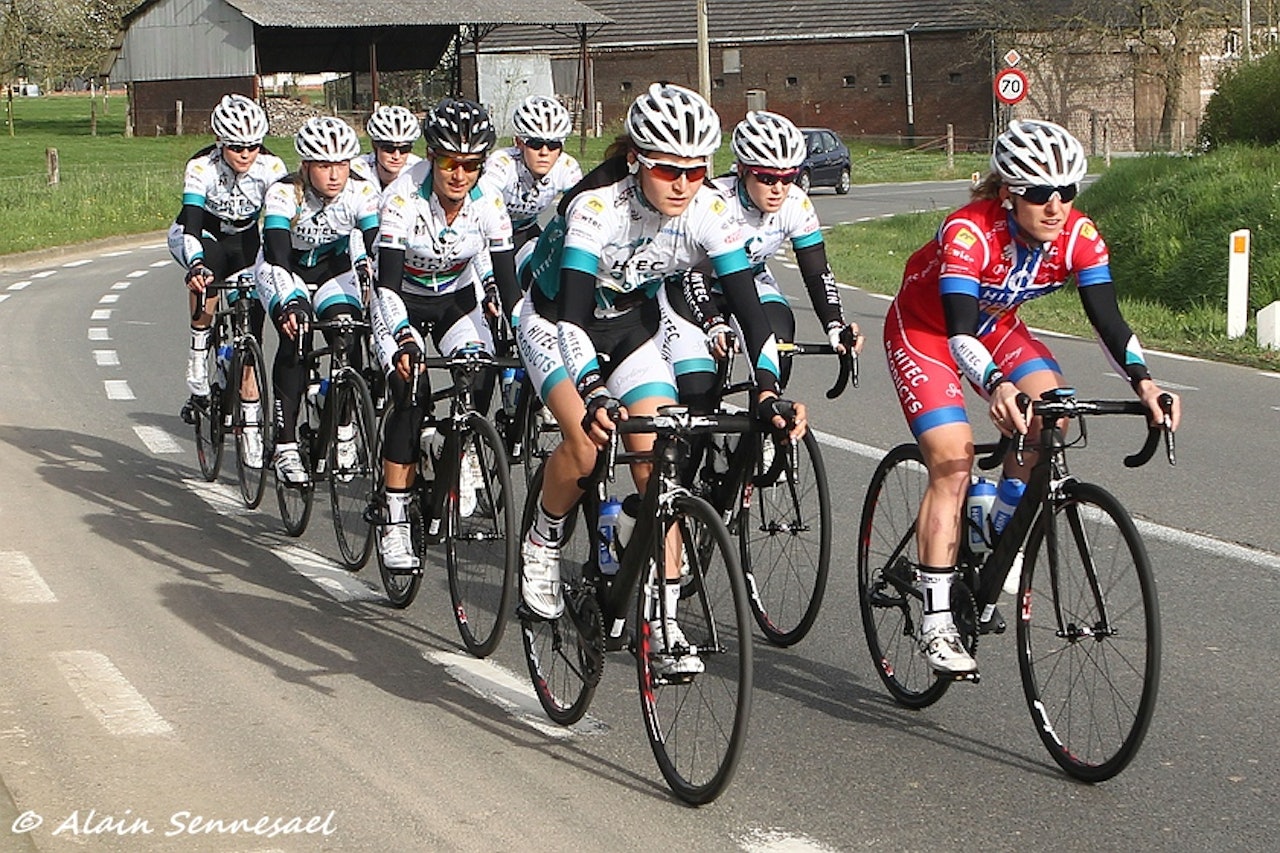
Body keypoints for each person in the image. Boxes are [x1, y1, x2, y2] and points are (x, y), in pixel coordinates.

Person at [515, 82, 805, 676]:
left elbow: (753, 314)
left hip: (629, 327)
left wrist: (770, 390)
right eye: (669, 169)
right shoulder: (596, 206)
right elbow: (571, 317)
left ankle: (666, 622)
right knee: (586, 441)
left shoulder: (708, 209)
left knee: (658, 458)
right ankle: (543, 541)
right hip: (555, 322)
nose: (683, 183)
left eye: (697, 171)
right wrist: (594, 392)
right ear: (635, 160)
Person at [884, 119, 1182, 677]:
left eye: (1068, 191)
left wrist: (1145, 381)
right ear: (1007, 194)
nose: (1056, 206)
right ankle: (937, 618)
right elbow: (959, 330)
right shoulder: (969, 233)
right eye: (1041, 194)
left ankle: (995, 515)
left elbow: (1108, 322)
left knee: (1055, 412)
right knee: (953, 458)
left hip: (996, 325)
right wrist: (996, 384)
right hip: (928, 330)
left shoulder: (1079, 236)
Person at [369, 98, 518, 570]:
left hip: (455, 299)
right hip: (401, 300)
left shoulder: (490, 203)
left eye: (471, 165)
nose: (460, 174)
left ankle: (460, 444)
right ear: (431, 157)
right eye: (450, 162)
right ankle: (394, 517)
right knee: (410, 392)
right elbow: (387, 287)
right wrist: (403, 338)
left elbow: (510, 288)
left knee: (483, 369)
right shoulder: (401, 198)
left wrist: (523, 334)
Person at [662, 109, 862, 414]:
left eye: (788, 177)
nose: (779, 188)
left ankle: (760, 437)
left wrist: (836, 327)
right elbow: (694, 274)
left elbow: (817, 272)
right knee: (698, 394)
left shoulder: (796, 202)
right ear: (742, 169)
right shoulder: (713, 202)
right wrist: (714, 323)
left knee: (778, 347)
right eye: (767, 178)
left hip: (751, 281)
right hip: (691, 287)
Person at [255, 116, 380, 486]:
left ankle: (343, 429)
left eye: (341, 164)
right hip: (285, 268)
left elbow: (375, 243)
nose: (334, 175)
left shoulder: (361, 192)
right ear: (306, 166)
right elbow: (277, 250)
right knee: (296, 336)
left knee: (348, 334)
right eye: (324, 165)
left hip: (331, 271)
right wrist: (290, 303)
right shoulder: (283, 191)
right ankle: (285, 445)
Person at [170, 93, 286, 467]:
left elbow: (280, 222)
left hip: (244, 237)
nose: (246, 154)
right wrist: (196, 264)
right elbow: (189, 222)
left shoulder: (271, 166)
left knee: (253, 323)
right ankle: (199, 348)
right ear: (221, 143)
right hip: (201, 234)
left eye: (252, 146)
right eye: (237, 147)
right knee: (208, 279)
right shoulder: (202, 166)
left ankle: (251, 427)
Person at [479, 95, 583, 257]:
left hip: (526, 231)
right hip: (485, 233)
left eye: (553, 145)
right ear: (519, 143)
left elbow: (579, 212)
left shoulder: (567, 167)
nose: (544, 152)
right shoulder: (502, 163)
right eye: (535, 144)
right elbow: (487, 204)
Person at [350, 105, 423, 194]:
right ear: (375, 146)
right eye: (389, 149)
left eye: (404, 149)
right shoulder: (356, 170)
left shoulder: (420, 171)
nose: (397, 156)